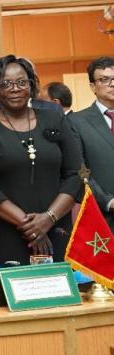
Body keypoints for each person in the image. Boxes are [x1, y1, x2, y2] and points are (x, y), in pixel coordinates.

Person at [0, 55, 82, 266]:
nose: (15, 88)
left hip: (56, 228)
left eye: (21, 82)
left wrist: (48, 218)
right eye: (6, 83)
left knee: (62, 295)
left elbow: (78, 173)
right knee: (9, 296)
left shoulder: (55, 118)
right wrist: (30, 226)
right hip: (5, 233)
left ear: (31, 84)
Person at [68, 56, 114, 227]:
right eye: (104, 79)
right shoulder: (76, 122)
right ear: (93, 87)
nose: (112, 84)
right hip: (103, 217)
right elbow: (80, 169)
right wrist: (107, 201)